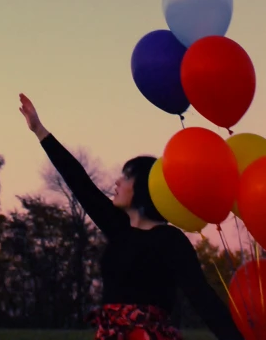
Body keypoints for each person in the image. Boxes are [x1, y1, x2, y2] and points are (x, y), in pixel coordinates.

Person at [19, 93, 244, 340]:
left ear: (145, 186)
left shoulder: (170, 241)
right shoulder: (119, 228)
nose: (117, 181)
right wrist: (40, 131)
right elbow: (79, 182)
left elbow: (203, 298)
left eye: (126, 176)